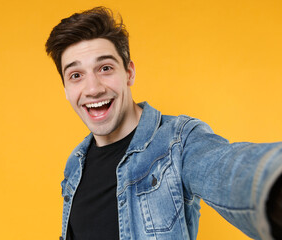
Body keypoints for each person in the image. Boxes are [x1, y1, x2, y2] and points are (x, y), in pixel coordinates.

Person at [45, 6, 282, 240]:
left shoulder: (179, 142)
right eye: (76, 75)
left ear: (129, 73)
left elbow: (225, 168)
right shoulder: (75, 164)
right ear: (66, 88)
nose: (93, 88)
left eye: (105, 68)